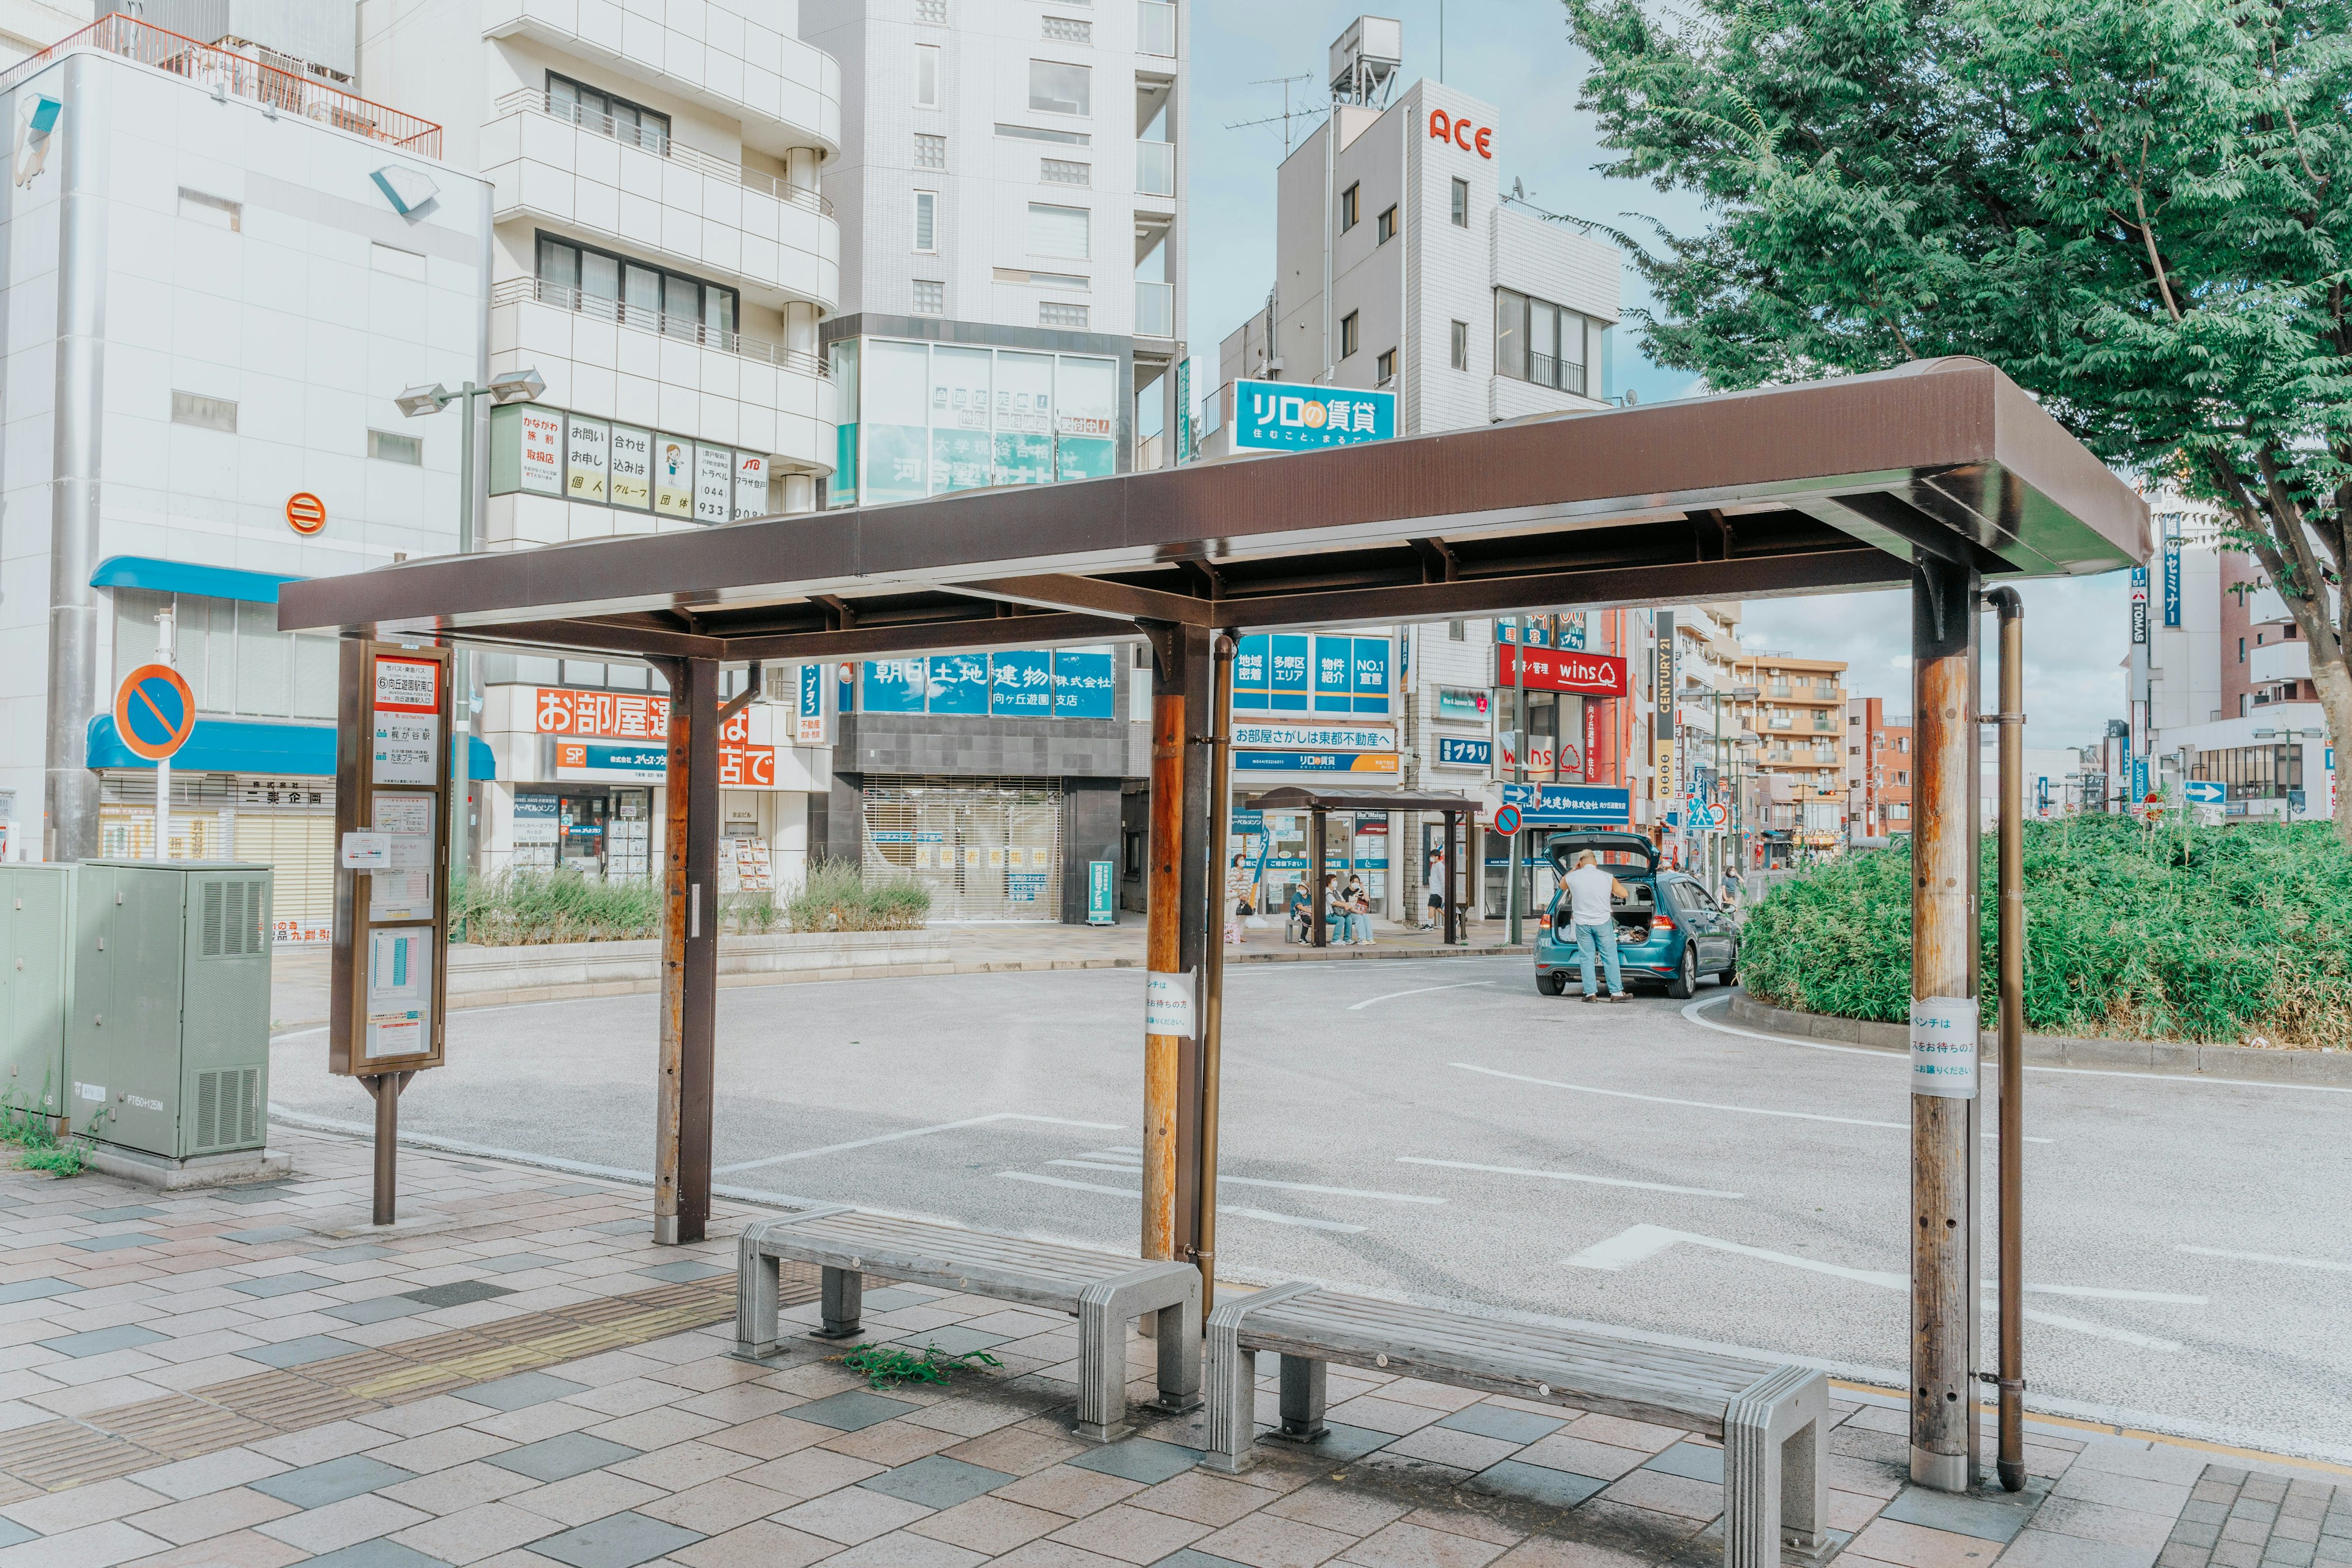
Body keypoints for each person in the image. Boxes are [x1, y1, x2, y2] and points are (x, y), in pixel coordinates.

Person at [1562, 848, 1632, 1003]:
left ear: (1580, 863)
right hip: (1602, 922)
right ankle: (1616, 993)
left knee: (1586, 958)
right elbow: (1625, 894)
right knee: (1610, 957)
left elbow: (1562, 886)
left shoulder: (1573, 877)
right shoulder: (1606, 877)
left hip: (1582, 923)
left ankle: (1590, 994)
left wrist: (1574, 869)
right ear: (1596, 863)